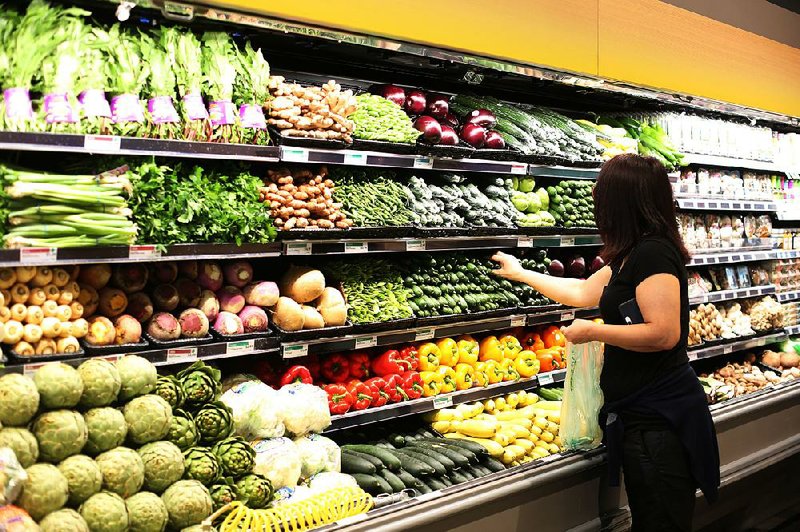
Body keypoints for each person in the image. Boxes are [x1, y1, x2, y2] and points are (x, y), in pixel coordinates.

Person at [492, 153, 719, 531]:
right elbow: (582, 291)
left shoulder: (653, 254)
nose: (595, 195)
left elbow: (664, 333)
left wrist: (594, 331)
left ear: (621, 201)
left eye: (602, 189)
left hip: (659, 422)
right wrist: (521, 273)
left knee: (660, 520)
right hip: (642, 417)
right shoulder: (634, 253)